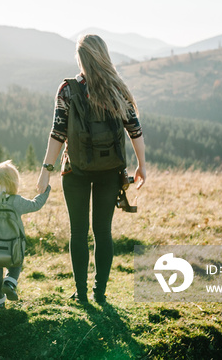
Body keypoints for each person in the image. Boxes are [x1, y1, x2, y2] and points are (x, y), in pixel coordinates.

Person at [36, 34, 146, 305]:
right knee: (103, 232)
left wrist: (46, 170)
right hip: (110, 172)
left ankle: (81, 294)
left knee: (78, 232)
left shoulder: (68, 89)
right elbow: (135, 130)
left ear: (80, 57)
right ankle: (101, 292)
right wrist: (142, 165)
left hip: (75, 171)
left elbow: (58, 133)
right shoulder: (117, 88)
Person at [0, 160, 51, 309]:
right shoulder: (16, 201)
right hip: (12, 248)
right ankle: (10, 282)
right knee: (16, 263)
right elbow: (35, 204)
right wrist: (45, 190)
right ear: (15, 182)